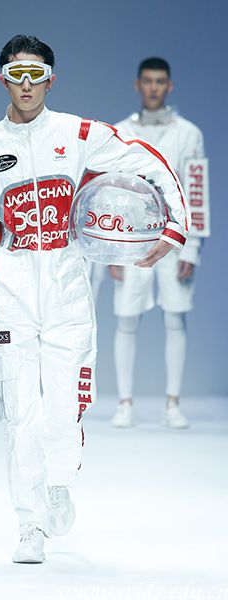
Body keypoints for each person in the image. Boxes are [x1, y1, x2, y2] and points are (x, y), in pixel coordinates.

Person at [0, 36, 190, 563]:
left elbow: (149, 159)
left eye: (36, 74)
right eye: (17, 74)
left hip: (67, 291)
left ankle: (59, 481)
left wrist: (176, 226)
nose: (27, 85)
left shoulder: (79, 135)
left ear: (51, 80)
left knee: (63, 412)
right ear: (2, 79)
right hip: (9, 295)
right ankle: (29, 523)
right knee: (20, 416)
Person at [109, 57, 208, 429]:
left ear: (169, 86)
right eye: (148, 81)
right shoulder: (120, 132)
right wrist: (112, 250)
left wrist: (192, 247)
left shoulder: (189, 134)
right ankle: (125, 403)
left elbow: (196, 192)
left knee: (175, 316)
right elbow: (110, 191)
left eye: (160, 81)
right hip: (131, 238)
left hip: (175, 238)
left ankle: (172, 403)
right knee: (126, 318)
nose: (153, 87)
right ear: (138, 85)